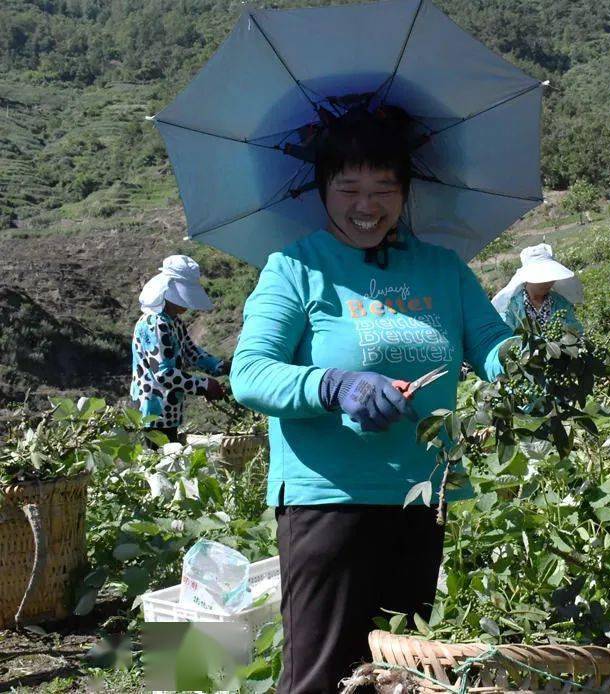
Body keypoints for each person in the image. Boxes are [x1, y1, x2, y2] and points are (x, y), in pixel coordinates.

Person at [230, 107, 515, 693]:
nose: (368, 205)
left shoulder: (443, 269)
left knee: (402, 676)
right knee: (322, 679)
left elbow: (492, 345)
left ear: (406, 192)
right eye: (349, 188)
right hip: (327, 500)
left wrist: (539, 366)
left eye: (384, 188)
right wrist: (336, 385)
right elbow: (250, 373)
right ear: (321, 190)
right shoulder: (295, 268)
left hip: (421, 495)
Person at [130, 255, 229, 445]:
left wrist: (220, 366)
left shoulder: (172, 321)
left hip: (169, 409)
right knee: (159, 465)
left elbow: (191, 352)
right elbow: (164, 374)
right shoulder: (155, 323)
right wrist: (204, 385)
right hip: (153, 411)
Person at [491, 243, 584, 335]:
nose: (547, 282)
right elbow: (507, 338)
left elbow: (577, 332)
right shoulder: (512, 307)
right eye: (541, 277)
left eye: (550, 276)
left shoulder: (560, 303)